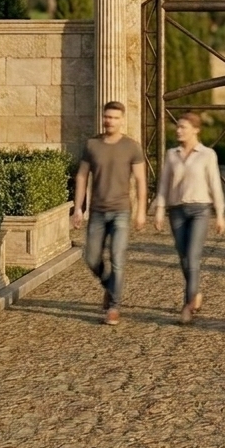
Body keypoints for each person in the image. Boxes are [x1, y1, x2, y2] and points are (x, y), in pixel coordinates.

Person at [72, 101, 147, 326]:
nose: (109, 121)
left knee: (117, 258)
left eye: (114, 118)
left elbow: (141, 180)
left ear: (122, 120)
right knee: (91, 258)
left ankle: (114, 307)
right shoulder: (92, 145)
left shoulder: (131, 146)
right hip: (97, 212)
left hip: (121, 211)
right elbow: (82, 177)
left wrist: (141, 210)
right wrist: (78, 207)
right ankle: (109, 284)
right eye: (107, 117)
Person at [153, 112, 225, 325]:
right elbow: (164, 184)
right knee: (184, 258)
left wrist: (220, 214)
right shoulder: (171, 154)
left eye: (183, 127)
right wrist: (159, 209)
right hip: (176, 211)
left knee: (193, 257)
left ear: (195, 130)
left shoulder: (207, 154)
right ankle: (196, 293)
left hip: (199, 210)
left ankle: (188, 305)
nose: (178, 130)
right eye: (177, 126)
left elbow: (215, 184)